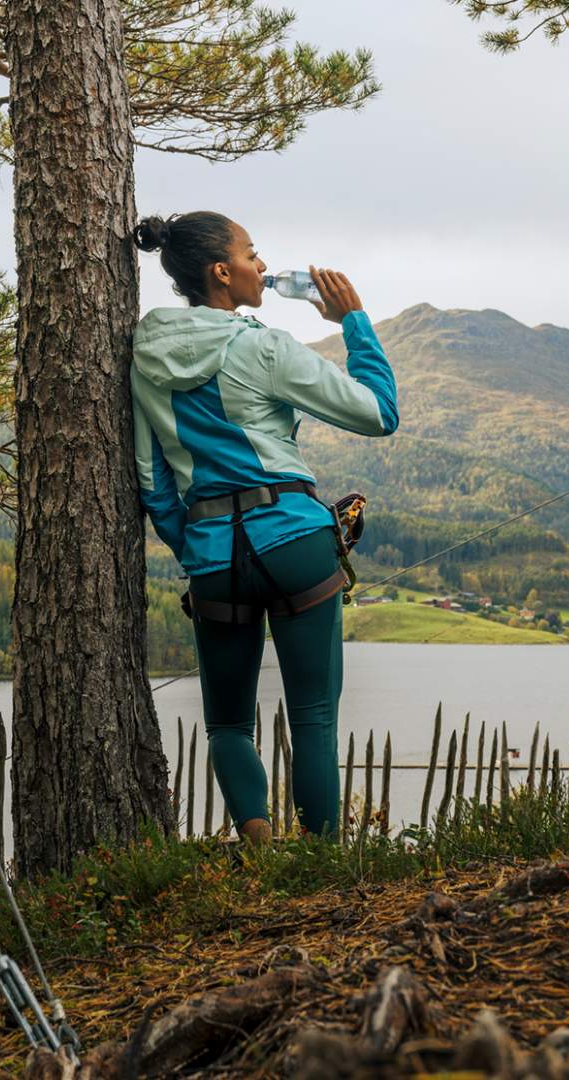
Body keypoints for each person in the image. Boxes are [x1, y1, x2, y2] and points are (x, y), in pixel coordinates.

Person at [131, 211, 398, 844]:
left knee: (227, 725)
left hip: (214, 557)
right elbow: (379, 413)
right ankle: (321, 866)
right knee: (312, 718)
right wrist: (353, 322)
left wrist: (198, 543)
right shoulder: (264, 346)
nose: (262, 264)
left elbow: (152, 481)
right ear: (222, 272)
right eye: (251, 254)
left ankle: (258, 848)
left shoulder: (143, 360)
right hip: (297, 545)